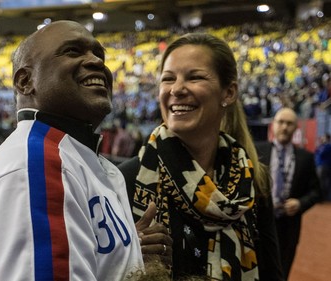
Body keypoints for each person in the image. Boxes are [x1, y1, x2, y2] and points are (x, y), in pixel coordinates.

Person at [0, 20, 172, 281]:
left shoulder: (73, 155)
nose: (97, 61)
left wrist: (128, 254)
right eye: (73, 51)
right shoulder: (38, 166)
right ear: (26, 81)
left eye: (99, 54)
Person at [119, 33, 284, 280]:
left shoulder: (252, 181)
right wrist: (125, 255)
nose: (176, 89)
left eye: (194, 77)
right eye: (168, 79)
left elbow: (272, 272)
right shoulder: (125, 179)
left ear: (228, 93)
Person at [255, 107, 322, 280]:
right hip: (259, 223)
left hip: (289, 226)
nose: (284, 127)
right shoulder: (257, 151)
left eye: (289, 123)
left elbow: (316, 191)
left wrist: (300, 203)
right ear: (273, 125)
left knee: (282, 272)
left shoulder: (306, 158)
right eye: (281, 122)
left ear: (296, 128)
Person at [315, 133, 331, 201]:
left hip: (324, 166)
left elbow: (321, 154)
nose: (322, 139)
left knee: (322, 182)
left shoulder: (327, 146)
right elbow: (316, 152)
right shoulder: (322, 146)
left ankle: (323, 197)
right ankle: (324, 197)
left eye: (323, 138)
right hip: (322, 165)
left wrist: (320, 146)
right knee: (325, 182)